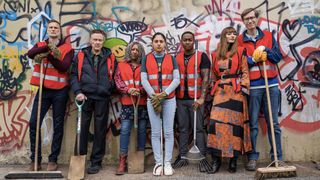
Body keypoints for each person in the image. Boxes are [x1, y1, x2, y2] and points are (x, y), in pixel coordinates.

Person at [238, 8, 283, 171]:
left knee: (274, 124)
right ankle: (252, 158)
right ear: (243, 22)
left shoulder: (269, 36)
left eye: (252, 18)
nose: (250, 21)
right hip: (254, 87)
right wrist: (252, 59)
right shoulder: (240, 41)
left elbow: (278, 57)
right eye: (246, 19)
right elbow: (239, 64)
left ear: (257, 19)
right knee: (253, 124)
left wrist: (266, 51)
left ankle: (278, 157)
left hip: (271, 85)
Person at [27, 19, 74, 171]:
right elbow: (30, 54)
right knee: (34, 123)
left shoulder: (67, 48)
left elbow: (64, 66)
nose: (53, 29)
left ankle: (53, 160)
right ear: (47, 30)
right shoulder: (41, 45)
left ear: (59, 31)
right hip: (43, 90)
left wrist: (52, 55)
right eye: (51, 27)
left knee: (58, 125)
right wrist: (47, 48)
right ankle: (36, 160)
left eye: (56, 28)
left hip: (60, 91)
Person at [70, 29, 117, 174]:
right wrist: (78, 92)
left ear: (103, 42)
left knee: (100, 130)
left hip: (102, 97)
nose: (97, 42)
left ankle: (96, 161)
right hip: (84, 98)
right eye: (94, 40)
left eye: (100, 40)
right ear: (90, 41)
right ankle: (80, 158)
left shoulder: (110, 56)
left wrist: (108, 89)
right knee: (82, 129)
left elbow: (115, 76)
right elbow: (73, 75)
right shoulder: (82, 55)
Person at [207, 27, 252, 173]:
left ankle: (233, 161)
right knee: (215, 124)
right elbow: (213, 75)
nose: (232, 36)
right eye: (229, 33)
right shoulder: (215, 54)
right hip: (220, 91)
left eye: (234, 33)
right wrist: (211, 90)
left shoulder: (241, 51)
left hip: (236, 91)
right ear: (224, 36)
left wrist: (245, 88)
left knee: (235, 126)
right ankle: (216, 160)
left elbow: (245, 71)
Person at [141, 32, 180, 176]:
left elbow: (177, 79)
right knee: (156, 132)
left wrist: (164, 94)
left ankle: (167, 163)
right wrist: (154, 96)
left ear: (165, 43)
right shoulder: (146, 59)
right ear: (152, 43)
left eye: (161, 41)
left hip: (169, 99)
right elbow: (144, 80)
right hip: (152, 100)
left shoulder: (171, 58)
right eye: (156, 41)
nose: (158, 43)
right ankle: (158, 163)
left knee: (169, 132)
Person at [173, 31, 212, 172]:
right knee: (183, 129)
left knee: (199, 128)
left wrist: (202, 98)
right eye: (185, 40)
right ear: (181, 41)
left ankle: (202, 156)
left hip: (196, 100)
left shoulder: (201, 56)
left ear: (193, 41)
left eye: (190, 40)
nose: (188, 42)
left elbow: (206, 78)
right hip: (180, 100)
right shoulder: (176, 58)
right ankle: (182, 155)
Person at [115, 42, 148, 175]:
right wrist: (128, 90)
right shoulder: (121, 65)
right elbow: (118, 81)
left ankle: (139, 160)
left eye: (138, 50)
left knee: (141, 131)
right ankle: (122, 161)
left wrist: (140, 90)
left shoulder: (145, 66)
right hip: (127, 103)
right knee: (125, 130)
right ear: (129, 51)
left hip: (143, 103)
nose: (135, 51)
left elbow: (149, 81)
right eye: (133, 49)